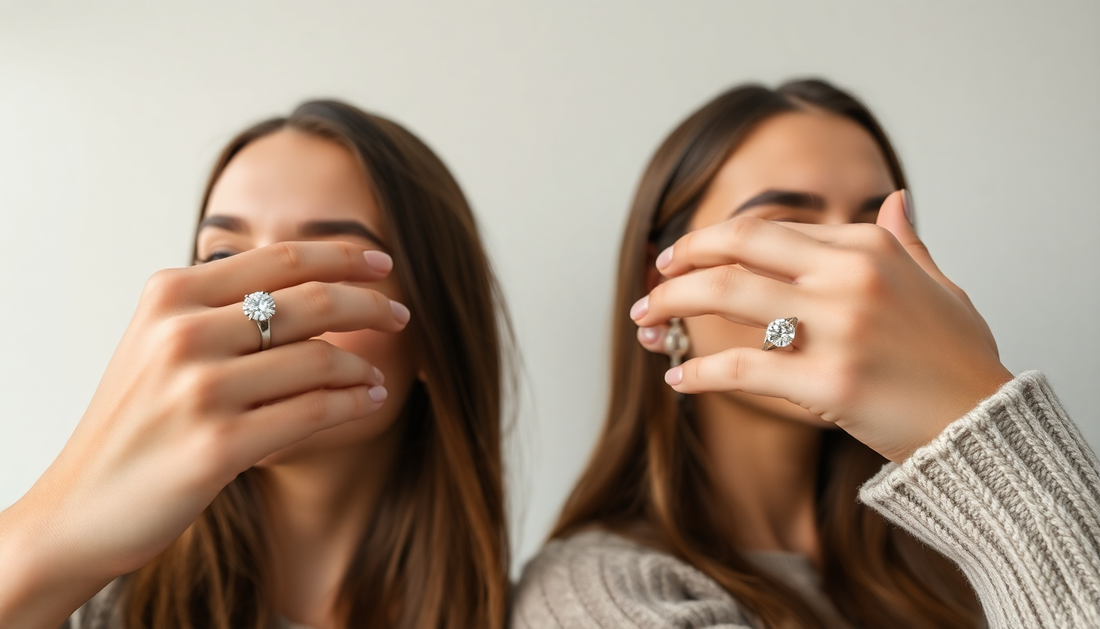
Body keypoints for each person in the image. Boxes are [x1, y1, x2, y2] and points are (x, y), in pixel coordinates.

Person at [512, 80, 1100, 628]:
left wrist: (968, 408)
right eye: (786, 223)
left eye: (875, 232)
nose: (854, 273)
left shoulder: (958, 560)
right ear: (659, 280)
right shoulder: (603, 596)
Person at [0, 100, 512, 629]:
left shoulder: (547, 611)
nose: (260, 305)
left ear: (433, 331)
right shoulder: (79, 603)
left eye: (331, 266)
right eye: (223, 259)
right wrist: (55, 531)